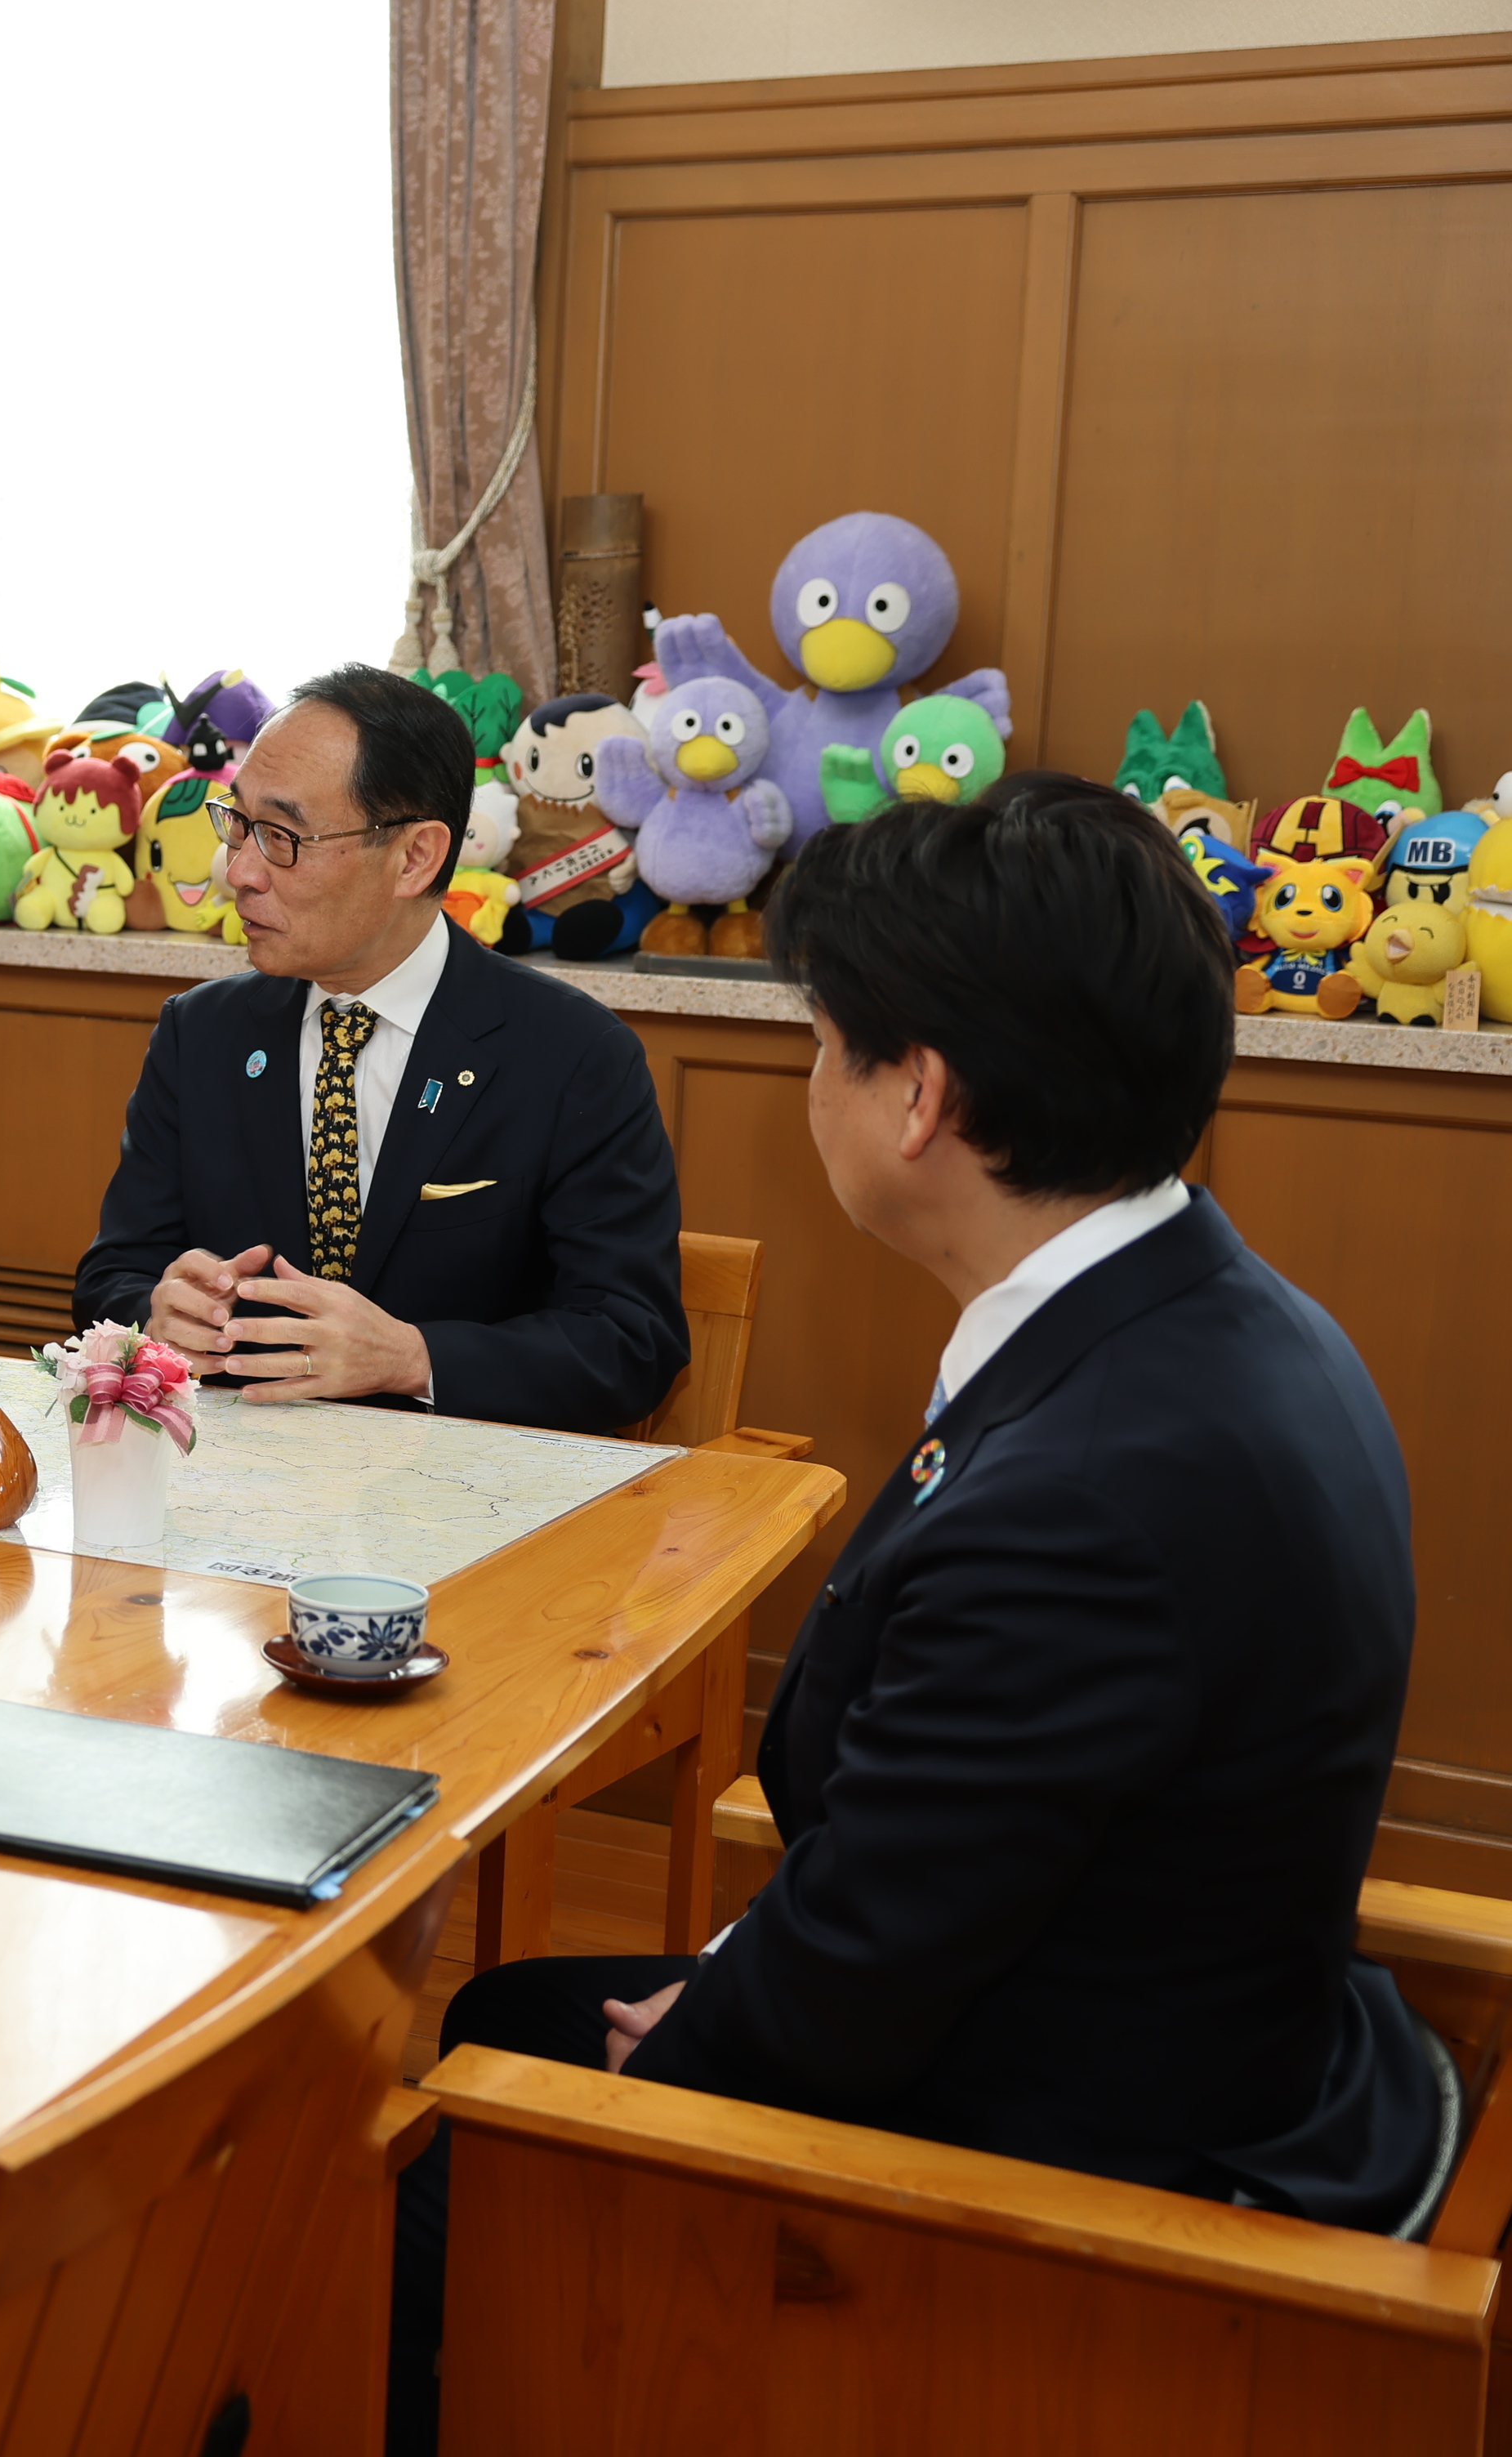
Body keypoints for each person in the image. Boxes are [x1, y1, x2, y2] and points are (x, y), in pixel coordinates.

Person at [387, 777, 1436, 2452]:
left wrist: (719, 2021)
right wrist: (741, 1975)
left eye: (824, 1040)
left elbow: (868, 1965)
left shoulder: (1095, 1487)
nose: (814, 1078)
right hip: (1157, 2001)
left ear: (918, 1098)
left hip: (1070, 2173)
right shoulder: (1206, 1309)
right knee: (506, 2013)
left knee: (430, 2151)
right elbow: (927, 1856)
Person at [72, 663, 688, 1432]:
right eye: (239, 824)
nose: (238, 872)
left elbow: (632, 1344)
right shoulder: (202, 1034)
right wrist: (157, 1312)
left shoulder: (573, 1056)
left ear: (416, 858)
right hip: (239, 1482)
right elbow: (112, 1276)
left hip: (470, 1500)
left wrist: (415, 1358)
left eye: (282, 838)